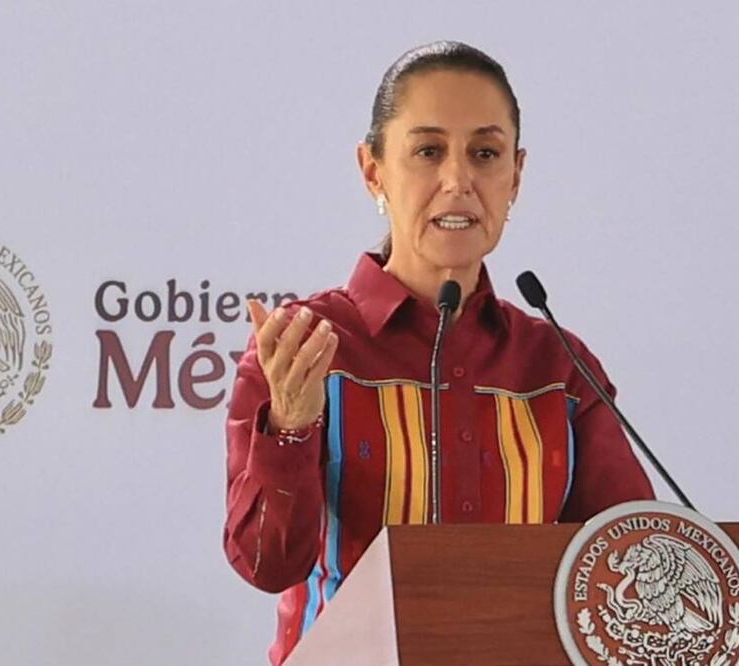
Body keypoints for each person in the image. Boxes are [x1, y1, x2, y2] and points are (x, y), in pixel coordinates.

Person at [223, 41, 654, 665]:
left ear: (516, 176)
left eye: (485, 153)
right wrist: (290, 424)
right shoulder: (306, 345)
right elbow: (265, 563)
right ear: (373, 171)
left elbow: (629, 561)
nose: (459, 181)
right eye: (428, 152)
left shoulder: (557, 366)